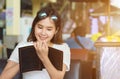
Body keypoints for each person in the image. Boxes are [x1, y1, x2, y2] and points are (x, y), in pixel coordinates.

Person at [0, 6, 70, 79]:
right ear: (34, 26)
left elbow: (58, 78)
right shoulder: (23, 45)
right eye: (40, 27)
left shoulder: (63, 48)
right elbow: (3, 77)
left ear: (56, 31)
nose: (43, 33)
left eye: (49, 29)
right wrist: (26, 58)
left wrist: (44, 57)